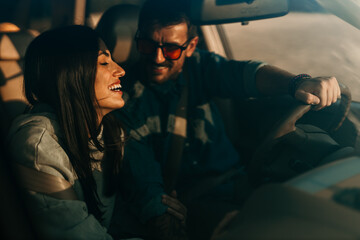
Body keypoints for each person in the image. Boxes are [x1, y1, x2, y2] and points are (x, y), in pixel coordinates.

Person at [107, 0, 341, 239]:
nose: (157, 58)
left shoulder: (200, 66)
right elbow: (141, 174)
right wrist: (161, 215)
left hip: (241, 183)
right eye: (147, 44)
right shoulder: (121, 98)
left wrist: (297, 83)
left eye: (171, 49)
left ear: (191, 46)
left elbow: (246, 75)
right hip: (193, 203)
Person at [6, 25, 185, 240]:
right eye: (103, 62)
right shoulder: (37, 146)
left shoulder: (110, 130)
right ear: (71, 73)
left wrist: (160, 216)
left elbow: (115, 211)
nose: (120, 70)